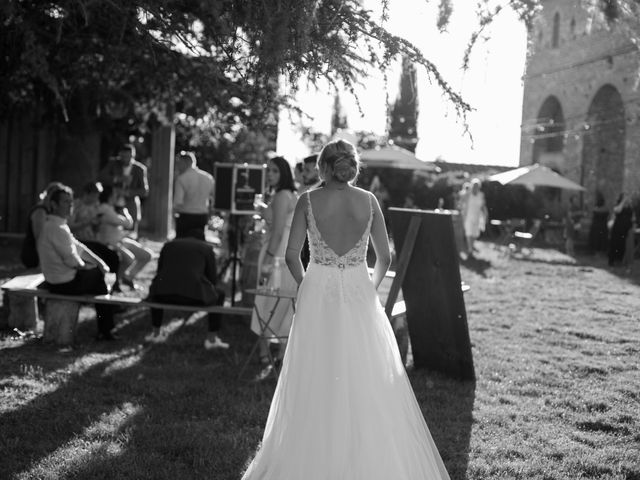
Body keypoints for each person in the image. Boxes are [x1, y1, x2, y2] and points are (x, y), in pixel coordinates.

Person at [241, 139, 451, 480]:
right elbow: (385, 257)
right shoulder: (368, 201)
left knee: (314, 371)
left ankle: (312, 452)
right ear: (351, 167)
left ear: (323, 167)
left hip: (317, 288)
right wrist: (369, 285)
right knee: (363, 371)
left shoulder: (308, 201)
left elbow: (293, 254)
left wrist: (306, 282)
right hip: (358, 288)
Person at [37, 184, 117, 341]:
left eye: (71, 202)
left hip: (60, 281)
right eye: (66, 202)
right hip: (62, 284)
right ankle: (106, 331)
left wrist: (99, 263)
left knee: (100, 278)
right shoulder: (56, 228)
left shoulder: (59, 225)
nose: (70, 205)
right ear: (54, 205)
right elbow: (73, 260)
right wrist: (92, 268)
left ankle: (105, 329)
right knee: (101, 281)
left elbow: (79, 247)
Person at [251, 156, 298, 375]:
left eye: (275, 171)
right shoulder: (288, 195)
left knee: (268, 298)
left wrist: (268, 258)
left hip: (276, 253)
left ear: (284, 174)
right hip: (285, 253)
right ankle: (278, 354)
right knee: (281, 300)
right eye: (268, 170)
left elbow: (278, 232)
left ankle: (265, 353)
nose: (270, 174)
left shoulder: (281, 196)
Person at [147, 237, 229, 349]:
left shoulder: (168, 245)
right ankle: (212, 339)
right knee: (220, 294)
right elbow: (212, 279)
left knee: (158, 289)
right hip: (194, 297)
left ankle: (156, 334)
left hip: (163, 295)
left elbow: (160, 272)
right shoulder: (205, 248)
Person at [96, 185, 152, 290]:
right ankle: (117, 281)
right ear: (109, 196)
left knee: (146, 255)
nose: (116, 197)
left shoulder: (110, 209)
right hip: (109, 243)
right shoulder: (105, 209)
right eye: (114, 194)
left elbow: (127, 224)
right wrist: (124, 211)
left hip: (120, 240)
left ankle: (128, 277)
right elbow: (128, 223)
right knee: (129, 258)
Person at [68, 181, 120, 290]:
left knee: (114, 257)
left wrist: (97, 223)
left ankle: (114, 284)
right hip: (80, 241)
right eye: (95, 195)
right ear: (87, 193)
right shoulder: (76, 205)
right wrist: (88, 222)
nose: (97, 197)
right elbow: (70, 227)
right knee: (98, 261)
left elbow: (95, 228)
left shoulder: (96, 206)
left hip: (94, 241)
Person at [98, 144, 149, 237]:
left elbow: (144, 191)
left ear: (132, 156)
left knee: (130, 232)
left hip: (130, 205)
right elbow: (101, 177)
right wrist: (118, 178)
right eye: (123, 156)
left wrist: (127, 192)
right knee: (112, 231)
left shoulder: (139, 169)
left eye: (128, 156)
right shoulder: (113, 163)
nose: (125, 159)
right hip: (113, 203)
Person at [20, 182, 64, 269]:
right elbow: (39, 237)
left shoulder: (49, 211)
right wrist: (42, 263)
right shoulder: (40, 211)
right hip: (33, 255)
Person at [173, 150, 215, 241]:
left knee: (182, 243)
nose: (177, 166)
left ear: (185, 162)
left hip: (186, 216)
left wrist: (174, 214)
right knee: (199, 242)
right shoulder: (208, 177)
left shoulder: (181, 179)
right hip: (202, 217)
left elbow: (178, 202)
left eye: (179, 163)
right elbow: (214, 198)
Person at [462, 178, 488, 257]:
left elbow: (483, 206)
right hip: (468, 216)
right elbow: (462, 203)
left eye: (477, 186)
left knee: (475, 233)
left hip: (477, 216)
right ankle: (470, 249)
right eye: (474, 185)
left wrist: (486, 215)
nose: (475, 187)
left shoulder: (481, 195)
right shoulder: (468, 194)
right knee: (469, 232)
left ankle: (471, 246)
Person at [608, 192, 633, 267]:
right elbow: (617, 211)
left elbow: (632, 215)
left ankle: (619, 260)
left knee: (622, 245)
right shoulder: (618, 205)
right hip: (618, 228)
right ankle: (612, 261)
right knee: (615, 244)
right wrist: (623, 202)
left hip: (625, 229)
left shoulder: (629, 206)